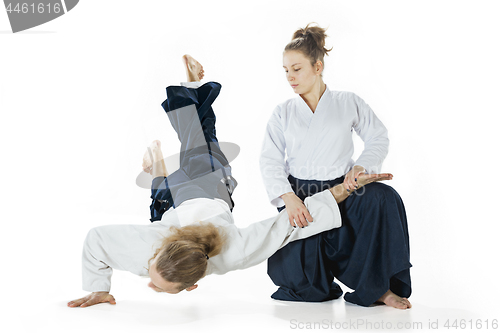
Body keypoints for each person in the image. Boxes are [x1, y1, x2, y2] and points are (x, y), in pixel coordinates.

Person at [67, 55, 394, 308]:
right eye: (156, 282)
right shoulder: (232, 250)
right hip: (208, 184)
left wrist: (98, 288)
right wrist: (346, 188)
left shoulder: (147, 249)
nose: (148, 282)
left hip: (170, 207)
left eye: (152, 279)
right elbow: (290, 226)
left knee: (175, 177)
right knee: (199, 141)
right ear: (191, 282)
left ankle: (161, 164)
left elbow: (97, 240)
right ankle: (188, 98)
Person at [260, 23, 412, 309]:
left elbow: (378, 136)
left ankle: (379, 288)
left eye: (297, 68)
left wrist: (361, 168)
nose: (290, 77)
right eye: (285, 70)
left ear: (318, 67)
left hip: (346, 188)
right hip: (302, 196)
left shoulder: (347, 102)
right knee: (306, 286)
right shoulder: (283, 112)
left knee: (384, 198)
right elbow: (269, 159)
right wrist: (288, 198)